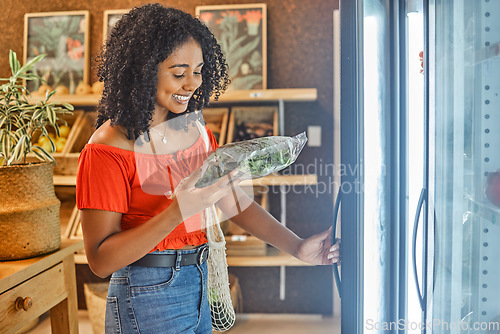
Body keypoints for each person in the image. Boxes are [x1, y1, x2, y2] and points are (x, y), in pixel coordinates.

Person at [76, 4, 340, 334]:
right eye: (178, 72)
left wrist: (298, 247)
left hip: (200, 283)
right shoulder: (106, 149)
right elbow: (100, 261)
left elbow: (235, 203)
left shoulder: (196, 133)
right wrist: (178, 210)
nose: (192, 84)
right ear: (143, 70)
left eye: (198, 71)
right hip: (146, 296)